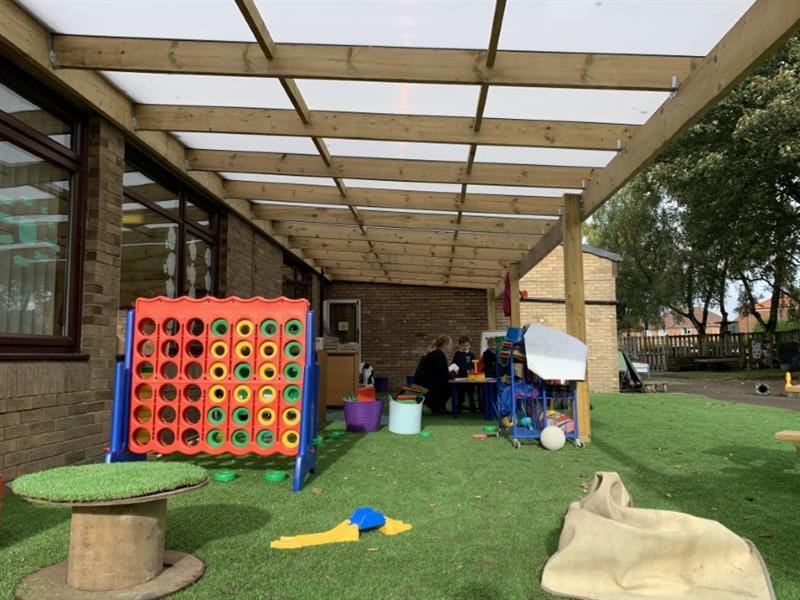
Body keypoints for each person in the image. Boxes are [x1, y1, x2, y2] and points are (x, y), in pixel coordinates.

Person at [413, 335, 452, 415]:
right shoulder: (439, 355)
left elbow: (440, 373)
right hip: (425, 387)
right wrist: (454, 374)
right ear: (445, 344)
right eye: (450, 344)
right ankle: (437, 406)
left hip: (420, 384)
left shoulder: (433, 354)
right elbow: (445, 375)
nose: (451, 346)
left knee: (445, 384)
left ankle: (439, 406)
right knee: (452, 386)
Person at [453, 335, 477, 413]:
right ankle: (459, 408)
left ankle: (473, 408)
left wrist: (473, 371)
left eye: (466, 345)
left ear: (469, 345)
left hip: (470, 377)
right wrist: (460, 370)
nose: (465, 347)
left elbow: (474, 364)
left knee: (470, 393)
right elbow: (455, 364)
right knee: (460, 393)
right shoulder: (457, 354)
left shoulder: (471, 354)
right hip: (460, 377)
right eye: (463, 346)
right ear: (459, 345)